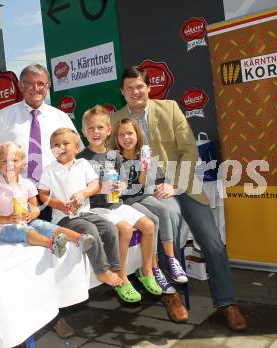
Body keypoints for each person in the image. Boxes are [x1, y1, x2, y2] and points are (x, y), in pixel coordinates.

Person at [111, 66, 248, 331]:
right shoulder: (116, 119)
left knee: (212, 241)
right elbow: (111, 158)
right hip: (145, 191)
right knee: (167, 225)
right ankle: (170, 295)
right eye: (129, 88)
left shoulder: (170, 108)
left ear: (148, 87)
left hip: (182, 182)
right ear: (122, 92)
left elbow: (188, 149)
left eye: (139, 86)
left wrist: (175, 184)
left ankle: (227, 303)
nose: (135, 91)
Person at [0, 63, 82, 338]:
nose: (35, 88)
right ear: (20, 86)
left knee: (53, 255)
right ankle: (27, 315)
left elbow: (75, 154)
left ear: (48, 86)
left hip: (52, 197)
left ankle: (56, 314)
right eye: (29, 83)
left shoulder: (60, 116)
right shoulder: (4, 117)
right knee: (25, 259)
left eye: (41, 83)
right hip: (18, 200)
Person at [77, 105, 162, 303]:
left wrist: (120, 185)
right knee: (125, 229)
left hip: (116, 203)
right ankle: (121, 278)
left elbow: (123, 180)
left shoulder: (115, 156)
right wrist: (100, 188)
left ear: (108, 131)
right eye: (91, 128)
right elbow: (80, 189)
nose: (95, 132)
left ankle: (147, 271)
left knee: (149, 225)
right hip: (96, 208)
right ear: (83, 132)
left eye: (100, 128)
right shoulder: (81, 159)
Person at [38, 128, 124, 289]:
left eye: (66, 143)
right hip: (64, 218)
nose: (61, 147)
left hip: (86, 212)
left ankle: (115, 267)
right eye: (56, 145)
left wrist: (83, 194)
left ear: (77, 148)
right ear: (51, 150)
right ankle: (101, 270)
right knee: (89, 229)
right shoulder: (49, 170)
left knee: (110, 228)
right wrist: (59, 205)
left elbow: (95, 184)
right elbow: (43, 194)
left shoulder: (83, 164)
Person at [112, 117, 189, 286]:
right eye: (121, 135)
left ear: (137, 135)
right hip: (126, 201)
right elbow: (121, 190)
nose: (126, 138)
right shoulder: (115, 158)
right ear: (116, 138)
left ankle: (171, 259)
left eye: (130, 133)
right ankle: (154, 268)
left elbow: (143, 184)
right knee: (152, 220)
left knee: (163, 210)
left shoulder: (144, 155)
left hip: (143, 195)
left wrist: (146, 168)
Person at [0, 141, 95, 257]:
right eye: (4, 161)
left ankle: (80, 239)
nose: (10, 165)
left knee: (44, 225)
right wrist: (8, 219)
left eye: (14, 160)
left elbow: (35, 209)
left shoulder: (27, 185)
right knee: (25, 231)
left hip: (26, 221)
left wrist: (31, 215)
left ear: (22, 164)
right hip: (5, 228)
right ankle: (52, 244)